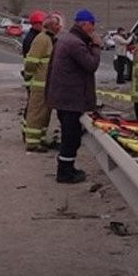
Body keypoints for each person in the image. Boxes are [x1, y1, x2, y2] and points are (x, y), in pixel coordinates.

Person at [46, 9, 102, 183]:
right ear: (84, 24)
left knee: (70, 136)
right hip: (70, 99)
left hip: (64, 97)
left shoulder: (66, 39)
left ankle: (67, 167)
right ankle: (65, 172)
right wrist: (96, 46)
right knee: (70, 138)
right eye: (92, 25)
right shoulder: (75, 43)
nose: (93, 29)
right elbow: (91, 65)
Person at [21, 13, 62, 151]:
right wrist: (29, 76)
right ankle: (32, 143)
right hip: (40, 84)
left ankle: (41, 138)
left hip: (47, 85)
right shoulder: (42, 39)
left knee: (44, 115)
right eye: (57, 24)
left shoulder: (50, 39)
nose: (60, 27)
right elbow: (31, 62)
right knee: (37, 113)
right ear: (50, 25)